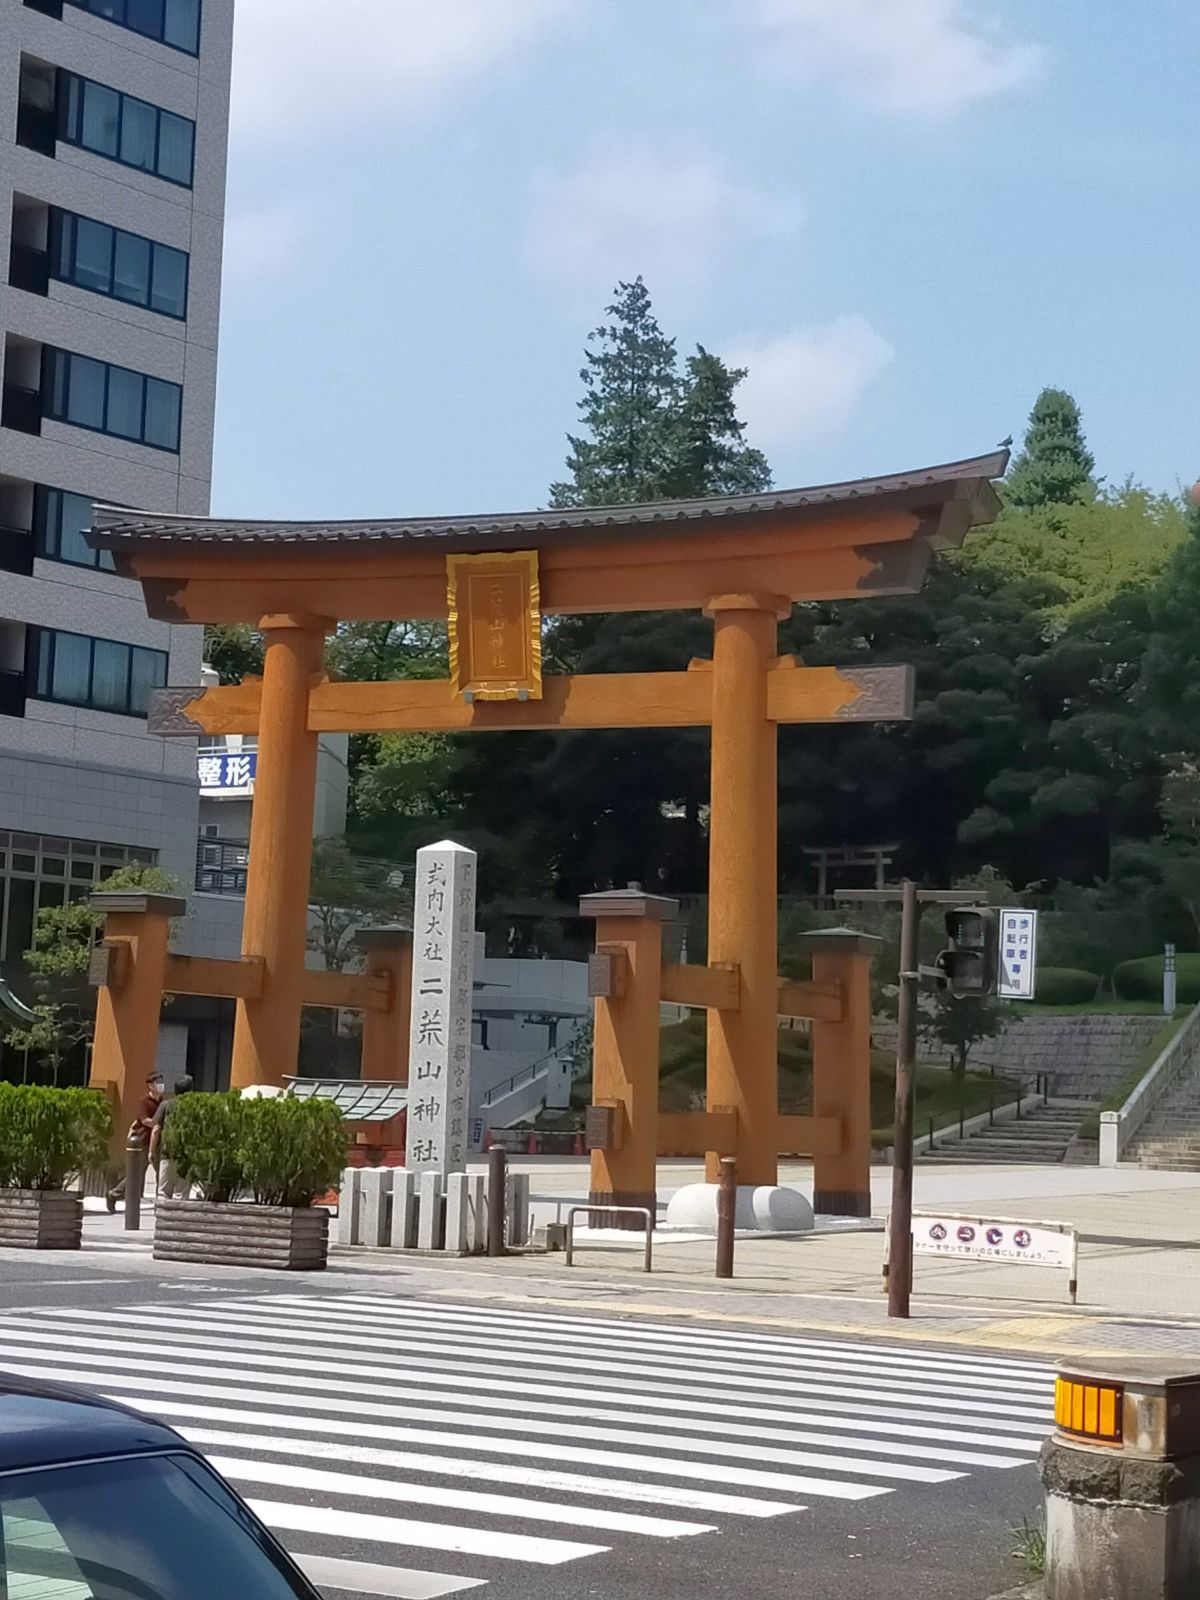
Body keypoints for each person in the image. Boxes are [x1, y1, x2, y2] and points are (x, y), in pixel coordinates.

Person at [105, 1073, 163, 1212]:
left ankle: (160, 1206)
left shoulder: (161, 1101)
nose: (161, 1085)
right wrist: (159, 1124)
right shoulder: (143, 1101)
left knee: (161, 1175)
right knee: (136, 1174)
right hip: (142, 1143)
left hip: (157, 1143)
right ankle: (114, 1194)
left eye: (161, 1081)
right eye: (158, 1082)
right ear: (150, 1085)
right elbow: (144, 1120)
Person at [150, 1075, 194, 1201]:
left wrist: (151, 1151)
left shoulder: (166, 1105)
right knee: (181, 1195)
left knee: (163, 1194)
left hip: (167, 1154)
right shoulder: (193, 1108)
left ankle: (161, 1219)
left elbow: (156, 1129)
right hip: (186, 1157)